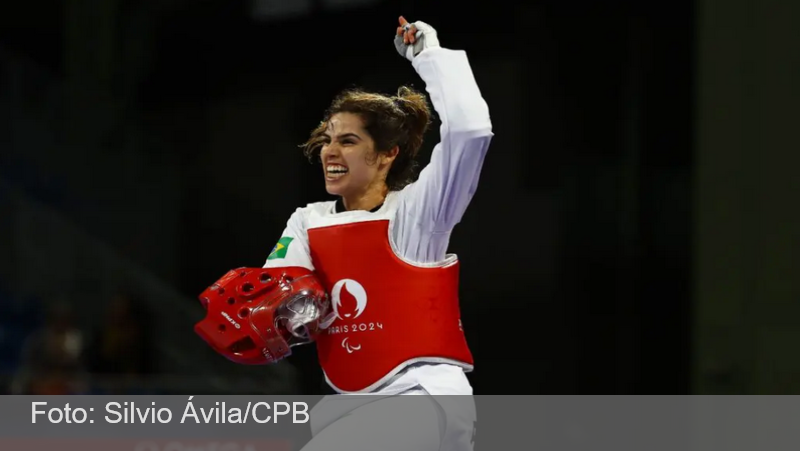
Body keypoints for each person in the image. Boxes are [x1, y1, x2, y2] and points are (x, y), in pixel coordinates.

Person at [260, 16, 492, 451]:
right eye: (328, 139)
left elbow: (471, 131)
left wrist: (430, 57)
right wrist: (272, 316)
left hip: (424, 396)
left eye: (348, 141)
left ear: (387, 154)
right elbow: (281, 288)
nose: (330, 150)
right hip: (351, 403)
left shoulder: (419, 212)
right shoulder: (306, 222)